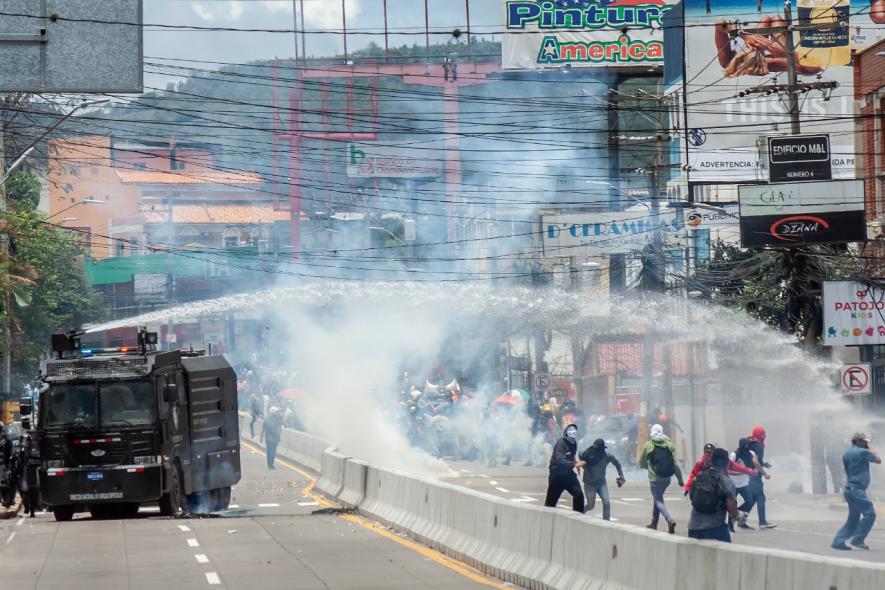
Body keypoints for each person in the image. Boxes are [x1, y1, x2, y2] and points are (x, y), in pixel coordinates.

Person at [832, 432, 882, 551]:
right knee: (870, 514)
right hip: (856, 490)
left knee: (853, 518)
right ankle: (858, 539)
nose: (866, 443)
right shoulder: (863, 452)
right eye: (864, 441)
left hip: (849, 490)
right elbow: (878, 460)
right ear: (858, 441)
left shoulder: (847, 453)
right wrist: (871, 449)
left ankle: (838, 541)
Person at [687, 448, 742, 543]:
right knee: (726, 554)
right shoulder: (726, 481)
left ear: (711, 460)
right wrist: (740, 516)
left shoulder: (700, 475)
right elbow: (732, 509)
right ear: (726, 463)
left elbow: (692, 495)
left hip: (693, 527)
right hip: (714, 528)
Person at [639, 423, 684, 534]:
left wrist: (647, 467)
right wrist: (680, 479)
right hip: (667, 479)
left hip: (655, 478)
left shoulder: (649, 444)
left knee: (658, 500)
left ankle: (669, 520)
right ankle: (654, 523)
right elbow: (676, 465)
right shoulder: (670, 444)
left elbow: (641, 462)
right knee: (657, 499)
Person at [684, 443, 757, 495]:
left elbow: (737, 467)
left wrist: (750, 472)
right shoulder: (700, 464)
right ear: (704, 452)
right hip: (704, 491)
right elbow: (693, 476)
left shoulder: (721, 462)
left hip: (719, 490)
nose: (709, 454)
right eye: (707, 452)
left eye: (711, 452)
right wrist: (687, 488)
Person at [578, 438, 625, 520]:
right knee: (590, 506)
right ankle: (580, 513)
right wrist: (584, 464)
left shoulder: (607, 455)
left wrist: (621, 477)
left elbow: (617, 464)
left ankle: (606, 522)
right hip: (589, 484)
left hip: (601, 483)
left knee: (606, 502)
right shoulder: (587, 455)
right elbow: (580, 455)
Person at [544, 423, 585, 513]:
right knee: (550, 503)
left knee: (579, 494)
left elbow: (571, 455)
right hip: (557, 476)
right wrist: (574, 465)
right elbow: (560, 460)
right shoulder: (561, 443)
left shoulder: (574, 443)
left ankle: (578, 516)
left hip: (568, 475)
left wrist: (575, 462)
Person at [745, 426, 776, 529]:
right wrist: (764, 473)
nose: (765, 436)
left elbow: (753, 459)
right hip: (754, 475)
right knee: (760, 497)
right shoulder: (758, 446)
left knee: (752, 499)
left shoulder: (750, 443)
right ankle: (762, 522)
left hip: (747, 474)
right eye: (763, 434)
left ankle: (740, 519)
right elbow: (754, 461)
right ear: (760, 435)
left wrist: (764, 464)